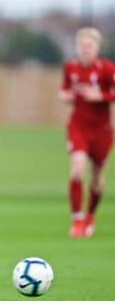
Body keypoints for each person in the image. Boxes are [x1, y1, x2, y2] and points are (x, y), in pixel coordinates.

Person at [59, 27, 115, 238]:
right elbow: (63, 90)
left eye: (89, 46)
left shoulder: (107, 69)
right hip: (78, 126)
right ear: (77, 47)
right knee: (77, 168)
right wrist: (65, 96)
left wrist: (99, 96)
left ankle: (90, 215)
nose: (85, 49)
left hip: (102, 130)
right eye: (82, 45)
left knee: (97, 178)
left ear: (97, 48)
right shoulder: (70, 68)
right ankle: (77, 220)